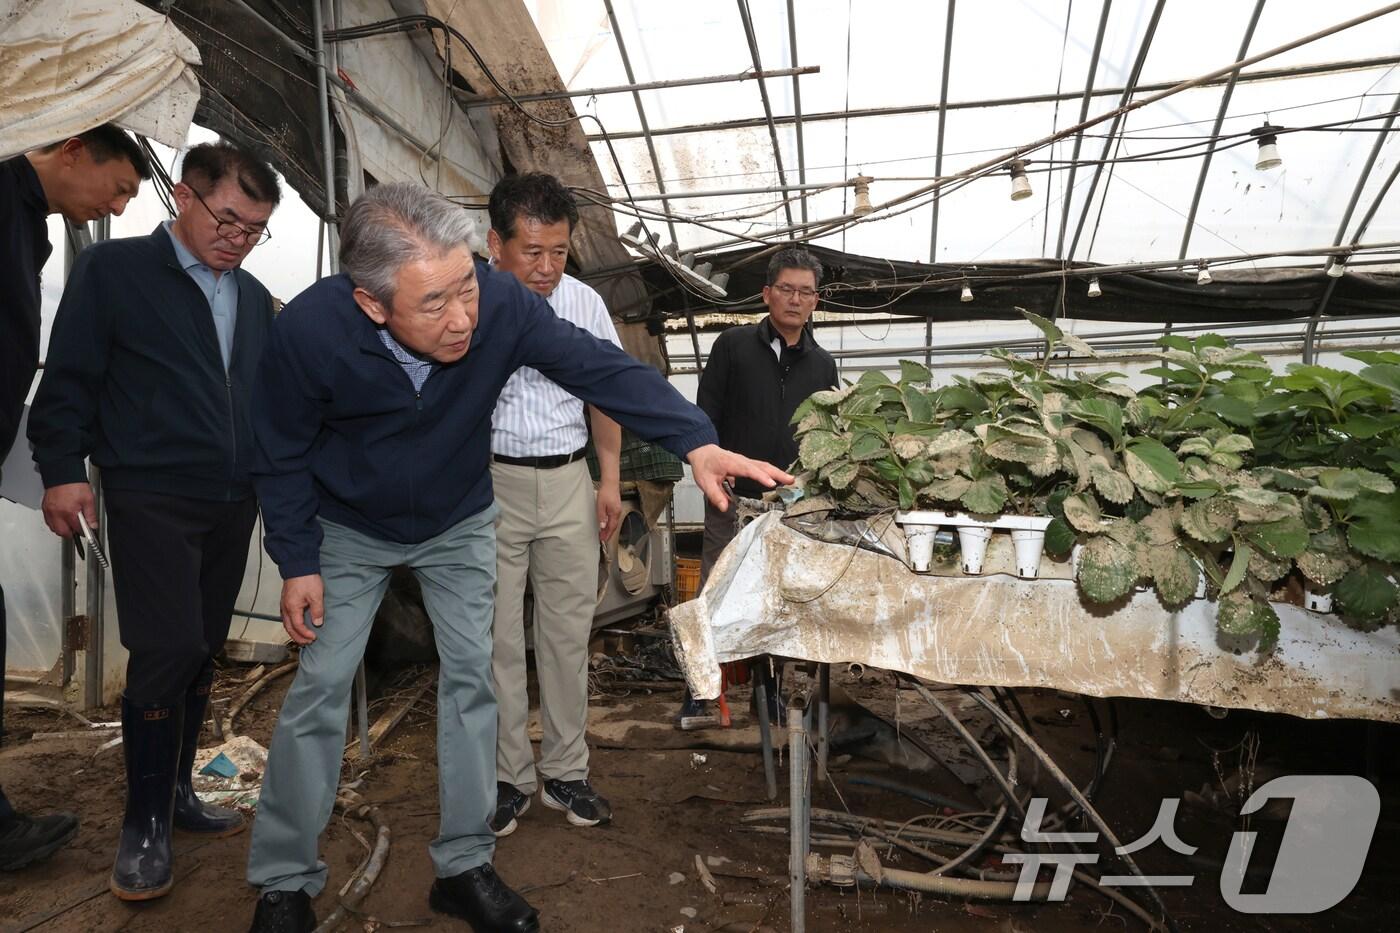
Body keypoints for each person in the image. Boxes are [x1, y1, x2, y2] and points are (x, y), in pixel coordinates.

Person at [243, 182, 789, 933]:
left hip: (460, 518)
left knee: (475, 681)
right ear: (372, 304)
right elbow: (277, 448)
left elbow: (597, 366)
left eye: (466, 285)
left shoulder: (500, 304)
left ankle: (464, 864)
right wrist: (298, 557)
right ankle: (282, 880)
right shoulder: (309, 332)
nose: (463, 316)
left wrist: (694, 436)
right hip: (350, 526)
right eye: (433, 304)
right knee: (322, 686)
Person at [28, 140, 281, 899]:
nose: (236, 240)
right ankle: (142, 824)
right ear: (185, 193)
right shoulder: (116, 273)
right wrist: (63, 472)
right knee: (166, 644)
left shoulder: (254, 297)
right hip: (150, 494)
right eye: (228, 219)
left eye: (254, 229)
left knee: (201, 646)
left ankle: (176, 792)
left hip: (234, 498)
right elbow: (68, 378)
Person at [0, 125, 149, 871]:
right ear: (72, 151)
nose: (117, 206)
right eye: (118, 187)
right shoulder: (3, 193)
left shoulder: (25, 213)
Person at [484, 173, 621, 837]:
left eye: (559, 252)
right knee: (498, 640)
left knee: (567, 634)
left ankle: (566, 769)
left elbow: (605, 393)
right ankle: (509, 778)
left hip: (569, 479)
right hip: (492, 485)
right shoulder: (469, 302)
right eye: (532, 251)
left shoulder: (586, 304)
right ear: (496, 245)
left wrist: (610, 478)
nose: (546, 268)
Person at [682, 247, 838, 723]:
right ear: (767, 294)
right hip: (732, 496)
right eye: (786, 289)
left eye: (805, 292)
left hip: (791, 504)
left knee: (781, 595)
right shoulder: (733, 346)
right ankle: (702, 691)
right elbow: (705, 411)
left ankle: (768, 692)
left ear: (816, 301)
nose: (795, 300)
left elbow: (826, 434)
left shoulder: (823, 365)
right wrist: (714, 459)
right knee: (717, 588)